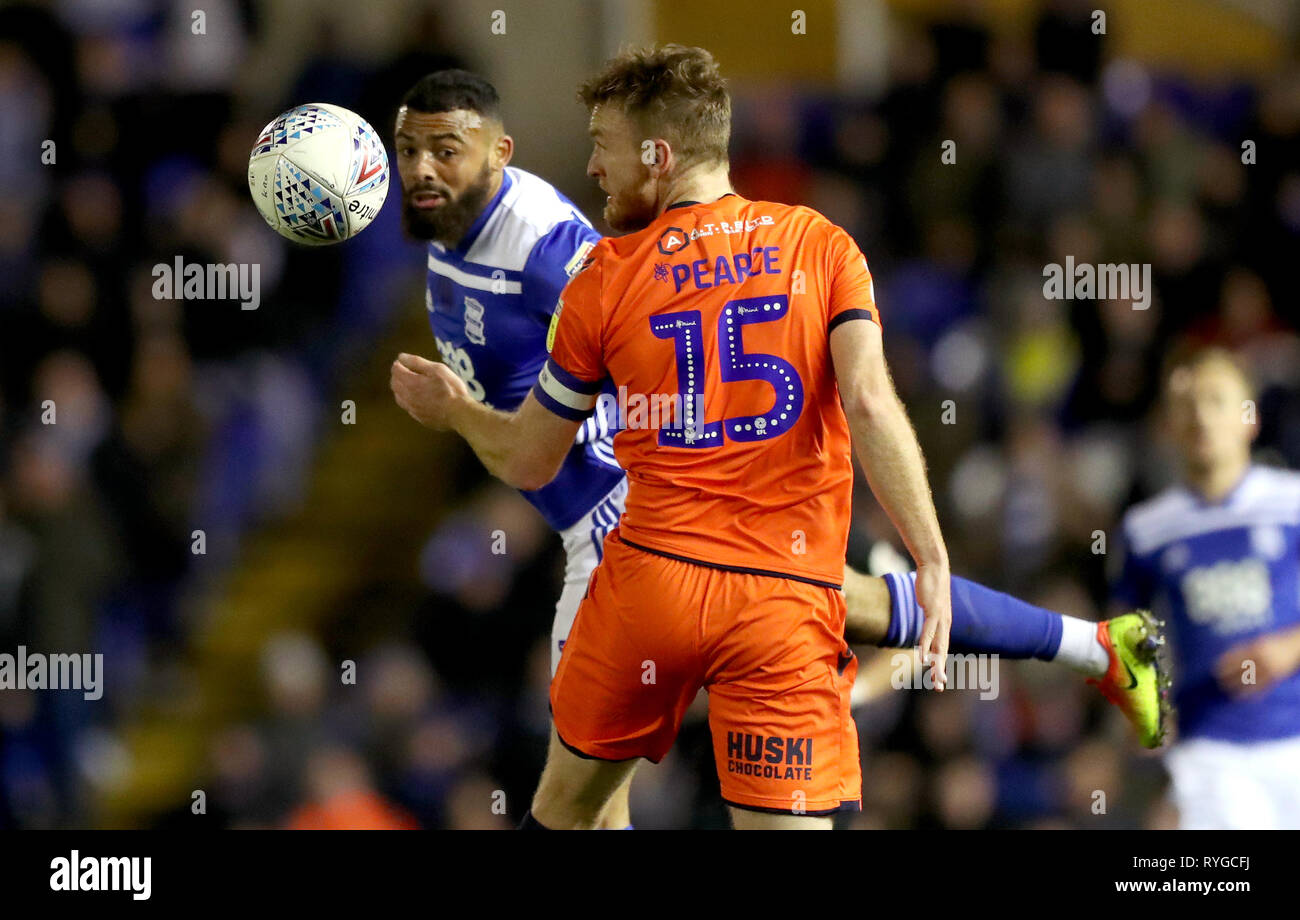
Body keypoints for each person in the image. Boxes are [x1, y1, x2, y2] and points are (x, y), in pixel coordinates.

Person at [390, 47, 1167, 829]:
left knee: (573, 811)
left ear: (657, 156)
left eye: (603, 145)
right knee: (870, 605)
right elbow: (866, 398)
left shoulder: (596, 269)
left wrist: (453, 410)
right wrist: (930, 551)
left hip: (636, 562)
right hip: (776, 584)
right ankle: (1096, 646)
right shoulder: (822, 243)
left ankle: (1090, 647)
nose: (592, 166)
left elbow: (531, 453)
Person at [1113, 347, 1300, 829]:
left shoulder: (1292, 502)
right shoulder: (1147, 528)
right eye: (1187, 404)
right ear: (1169, 425)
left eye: (1217, 400)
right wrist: (1145, 707)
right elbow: (1121, 631)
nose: (1201, 416)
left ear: (1249, 418)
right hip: (1210, 748)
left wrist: (1288, 649)